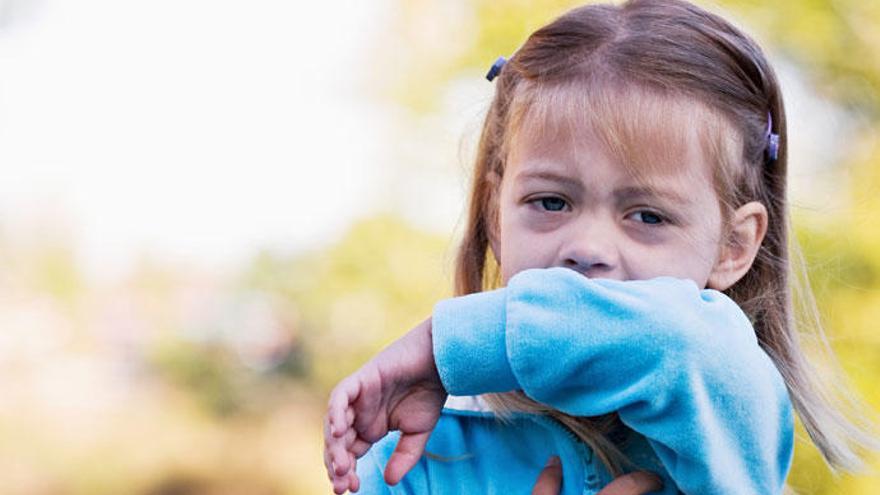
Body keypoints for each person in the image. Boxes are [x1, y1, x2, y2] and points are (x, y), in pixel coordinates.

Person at [323, 0, 877, 493]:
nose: (586, 247)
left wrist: (449, 348)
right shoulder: (420, 457)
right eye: (551, 202)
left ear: (733, 246)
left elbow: (679, 340)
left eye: (647, 215)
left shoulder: (726, 404)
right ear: (496, 213)